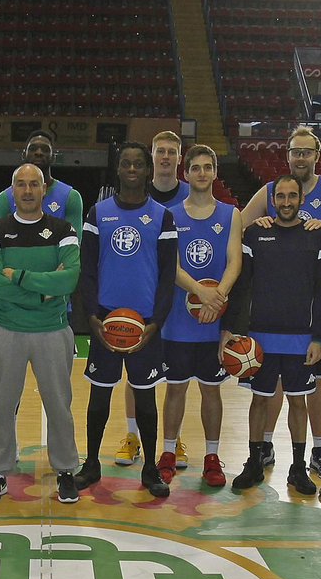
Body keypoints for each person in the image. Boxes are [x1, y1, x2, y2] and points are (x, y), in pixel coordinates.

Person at [242, 126, 321, 476]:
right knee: (271, 384)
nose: (301, 157)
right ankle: (265, 446)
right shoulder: (269, 191)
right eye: (295, 151)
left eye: (307, 151)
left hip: (316, 299)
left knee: (313, 385)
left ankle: (318, 449)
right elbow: (240, 228)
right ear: (287, 154)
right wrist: (262, 220)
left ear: (317, 155)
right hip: (277, 303)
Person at [76, 141, 176, 498]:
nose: (132, 168)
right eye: (126, 163)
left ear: (148, 171)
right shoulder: (97, 213)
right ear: (118, 170)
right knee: (98, 400)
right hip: (106, 322)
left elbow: (167, 276)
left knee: (146, 402)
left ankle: (150, 469)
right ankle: (91, 465)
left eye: (138, 164)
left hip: (144, 325)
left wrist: (156, 323)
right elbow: (87, 271)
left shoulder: (162, 217)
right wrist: (91, 316)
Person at [0, 164, 82, 505]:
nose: (26, 190)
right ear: (12, 191)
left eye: (33, 184)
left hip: (52, 330)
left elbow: (70, 279)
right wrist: (44, 288)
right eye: (20, 184)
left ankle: (66, 471)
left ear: (43, 191)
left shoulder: (63, 229)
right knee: (3, 405)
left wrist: (20, 277)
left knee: (59, 405)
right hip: (5, 329)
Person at [223, 174, 321, 496]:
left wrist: (317, 338)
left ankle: (298, 468)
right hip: (261, 337)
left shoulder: (318, 236)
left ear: (301, 200)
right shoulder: (256, 234)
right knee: (260, 401)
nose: (286, 202)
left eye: (292, 196)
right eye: (280, 196)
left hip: (302, 338)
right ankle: (254, 462)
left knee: (298, 403)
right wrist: (232, 330)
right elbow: (242, 288)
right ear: (273, 200)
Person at [157, 144, 240, 488]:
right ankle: (167, 453)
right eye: (196, 168)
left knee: (211, 391)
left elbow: (235, 261)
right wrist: (201, 292)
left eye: (208, 167)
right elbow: (170, 265)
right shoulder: (171, 215)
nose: (202, 173)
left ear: (215, 172)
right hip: (178, 320)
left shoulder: (231, 214)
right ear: (185, 173)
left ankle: (211, 456)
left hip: (213, 320)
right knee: (175, 390)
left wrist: (217, 297)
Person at [118, 129, 192, 468]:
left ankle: (172, 441)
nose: (165, 157)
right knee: (135, 376)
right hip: (142, 301)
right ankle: (132, 436)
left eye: (171, 152)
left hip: (181, 304)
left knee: (177, 379)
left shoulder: (196, 195)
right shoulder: (134, 194)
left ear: (180, 158)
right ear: (151, 158)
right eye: (159, 150)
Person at [0, 130, 82, 238]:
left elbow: (74, 244)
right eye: (33, 149)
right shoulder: (4, 198)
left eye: (45, 149)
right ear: (23, 155)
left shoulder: (70, 197)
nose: (39, 152)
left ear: (54, 157)